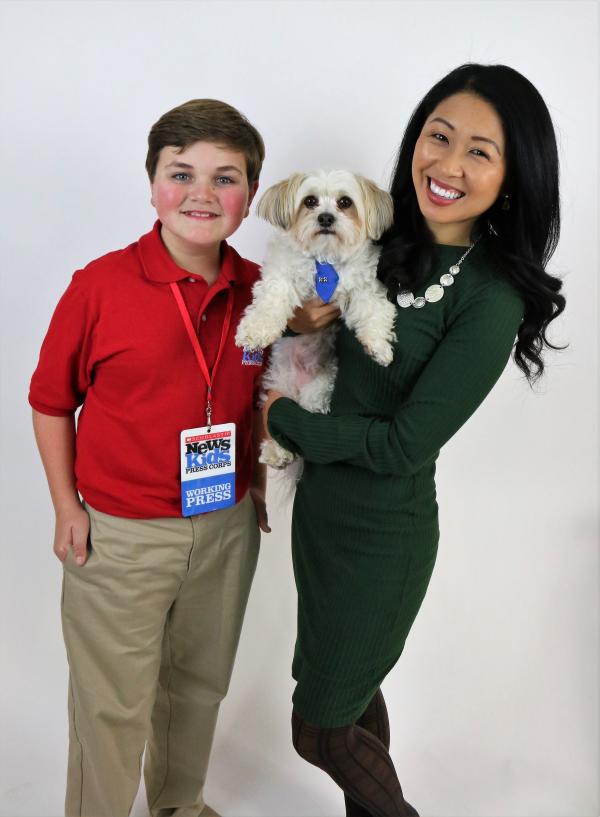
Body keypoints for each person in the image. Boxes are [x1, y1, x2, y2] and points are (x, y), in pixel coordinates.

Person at [263, 63, 566, 816]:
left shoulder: (492, 296)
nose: (449, 164)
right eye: (439, 136)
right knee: (354, 700)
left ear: (514, 175)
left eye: (480, 151)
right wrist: (302, 318)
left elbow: (402, 443)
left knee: (320, 731)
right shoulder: (380, 235)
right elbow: (308, 299)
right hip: (323, 518)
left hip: (381, 536)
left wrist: (282, 421)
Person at [29, 99, 269, 817]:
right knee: (113, 707)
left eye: (225, 177)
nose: (202, 193)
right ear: (152, 183)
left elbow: (268, 392)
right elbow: (49, 402)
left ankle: (177, 804)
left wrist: (255, 477)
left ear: (251, 195)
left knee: (198, 686)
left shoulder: (263, 289)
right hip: (121, 533)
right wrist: (67, 506)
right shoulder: (98, 286)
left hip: (223, 525)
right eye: (181, 172)